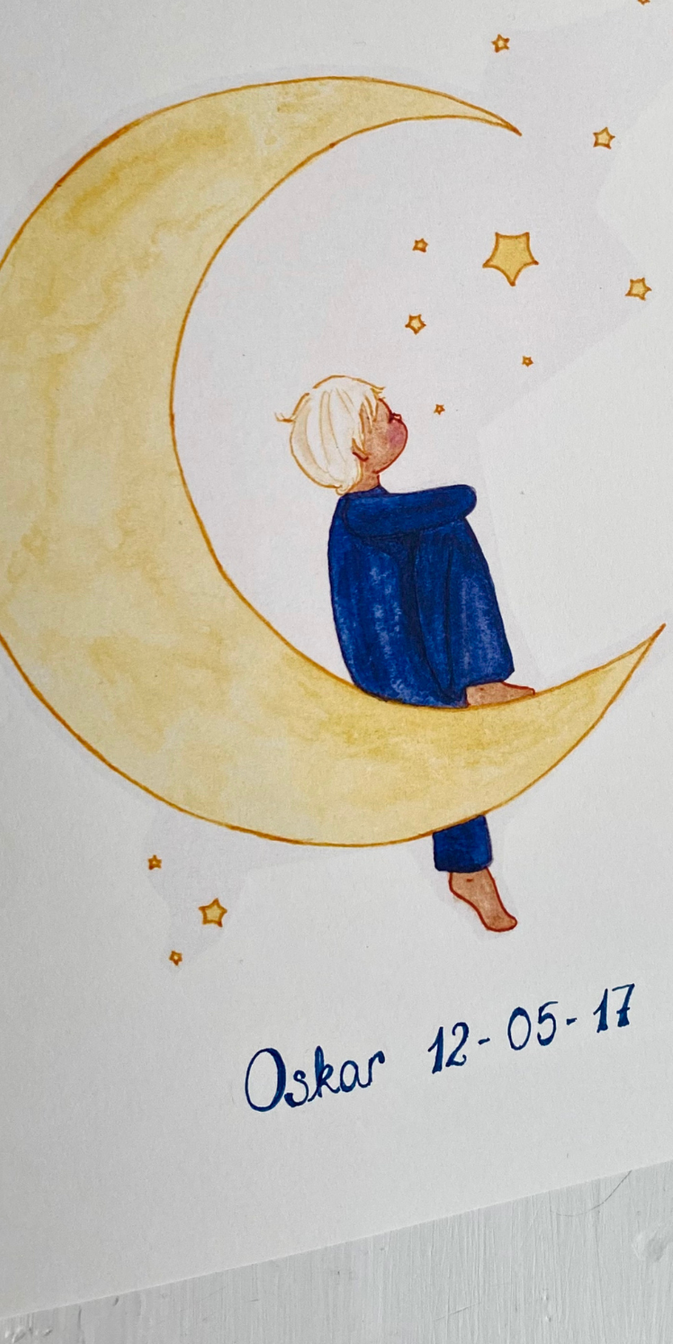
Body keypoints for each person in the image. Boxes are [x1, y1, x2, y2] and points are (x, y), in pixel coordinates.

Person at [283, 375, 533, 932]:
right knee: (447, 526)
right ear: (357, 449)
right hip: (397, 673)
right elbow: (461, 497)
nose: (399, 420)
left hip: (419, 658)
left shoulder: (378, 513)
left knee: (444, 534)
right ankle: (480, 681)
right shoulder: (362, 514)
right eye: (384, 418)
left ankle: (469, 869)